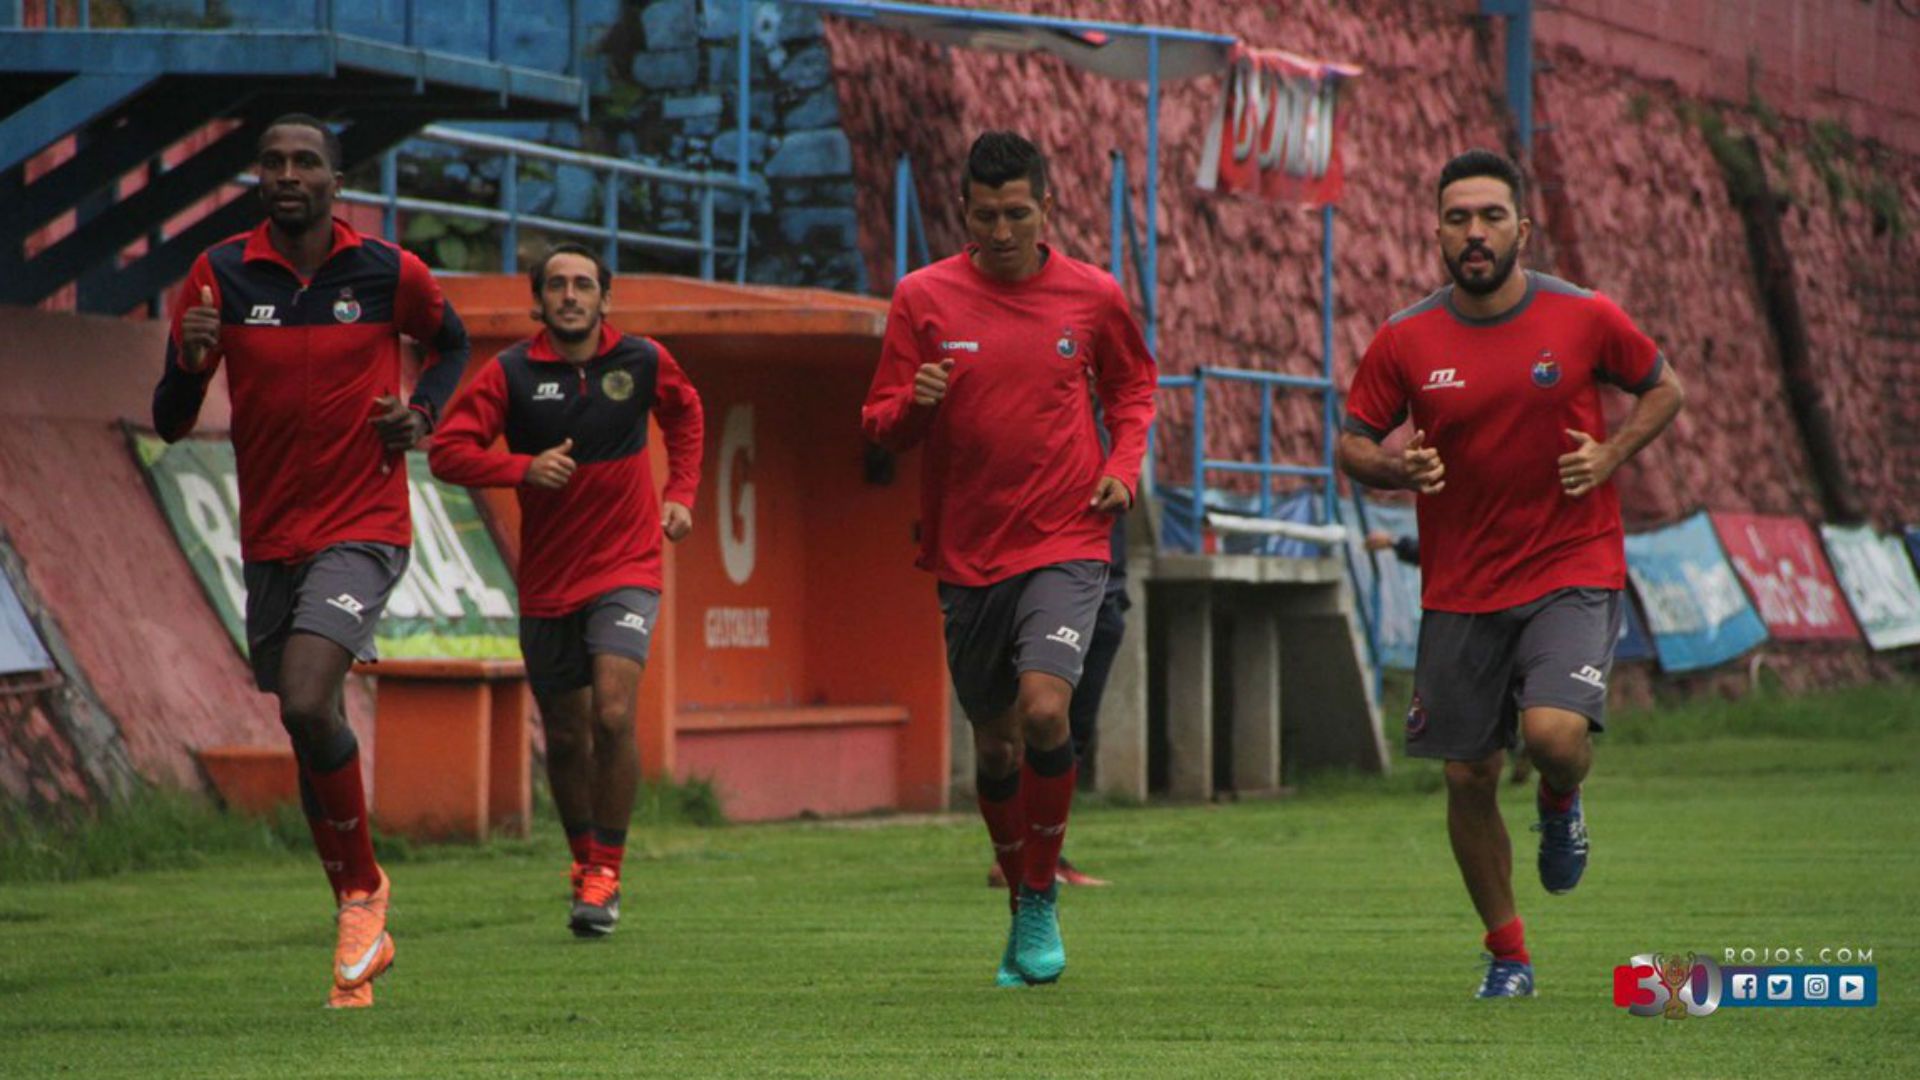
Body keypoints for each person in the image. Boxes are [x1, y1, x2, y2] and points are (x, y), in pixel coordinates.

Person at [1337, 149, 1684, 999]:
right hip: (1460, 586)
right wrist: (1393, 470)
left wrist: (1610, 454)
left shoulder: (1584, 316)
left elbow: (1663, 388)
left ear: (1522, 229)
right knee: (1467, 775)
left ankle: (1562, 801)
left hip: (1572, 565)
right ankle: (1509, 953)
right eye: (1458, 219)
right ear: (1437, 233)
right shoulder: (1405, 338)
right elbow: (1351, 442)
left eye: (1491, 216)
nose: (1475, 233)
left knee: (1554, 736)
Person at [152, 114, 471, 1008]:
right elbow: (173, 417)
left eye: (306, 163)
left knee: (303, 694)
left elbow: (452, 345)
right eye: (274, 162)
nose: (288, 174)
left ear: (337, 180)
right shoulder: (219, 274)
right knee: (306, 719)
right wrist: (188, 360)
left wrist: (424, 417)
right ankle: (358, 929)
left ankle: (365, 890)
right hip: (270, 537)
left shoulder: (387, 273)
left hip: (363, 523)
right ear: (258, 177)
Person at [862, 131, 1156, 987]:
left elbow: (1135, 387)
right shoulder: (923, 297)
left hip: (1067, 536)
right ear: (963, 212)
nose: (1001, 231)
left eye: (1017, 213)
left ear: (1047, 208)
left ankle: (1038, 898)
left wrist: (1120, 470)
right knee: (994, 750)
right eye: (986, 215)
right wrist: (913, 409)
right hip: (965, 551)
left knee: (1042, 711)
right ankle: (1017, 887)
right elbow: (877, 425)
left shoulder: (1092, 296)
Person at [429, 243, 703, 939]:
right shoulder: (512, 373)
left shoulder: (641, 360)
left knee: (612, 713)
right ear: (540, 301)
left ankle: (608, 869)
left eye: (584, 284)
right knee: (566, 732)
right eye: (558, 285)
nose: (571, 295)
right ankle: (584, 865)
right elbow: (446, 451)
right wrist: (522, 468)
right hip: (549, 582)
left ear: (605, 299)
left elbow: (687, 415)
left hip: (627, 567)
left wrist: (680, 494)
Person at [1364, 529, 1531, 785]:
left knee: (1499, 697)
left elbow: (1445, 550)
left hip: (1486, 620)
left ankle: (1525, 745)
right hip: (1492, 618)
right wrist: (1398, 542)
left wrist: (1396, 542)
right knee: (1503, 696)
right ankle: (1519, 747)